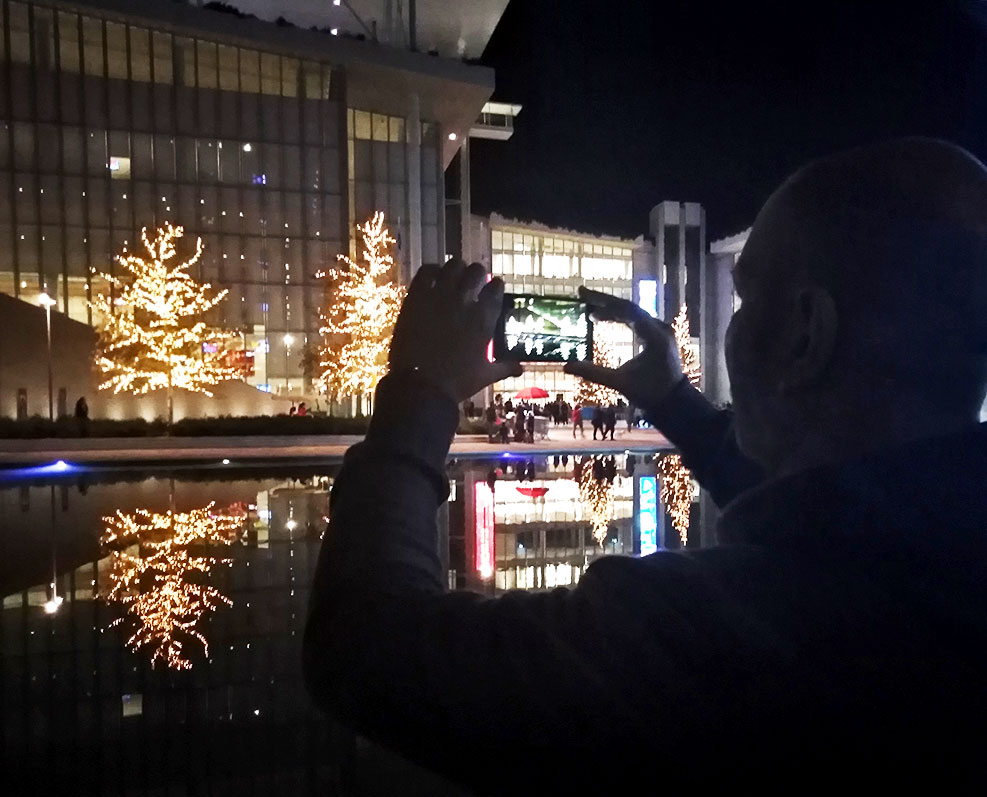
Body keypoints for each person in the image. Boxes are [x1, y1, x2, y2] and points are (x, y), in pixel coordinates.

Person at [304, 140, 987, 791]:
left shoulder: (716, 636)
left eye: (746, 298)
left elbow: (368, 646)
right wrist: (670, 399)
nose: (733, 327)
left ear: (805, 333)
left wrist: (418, 390)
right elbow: (839, 524)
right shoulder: (931, 564)